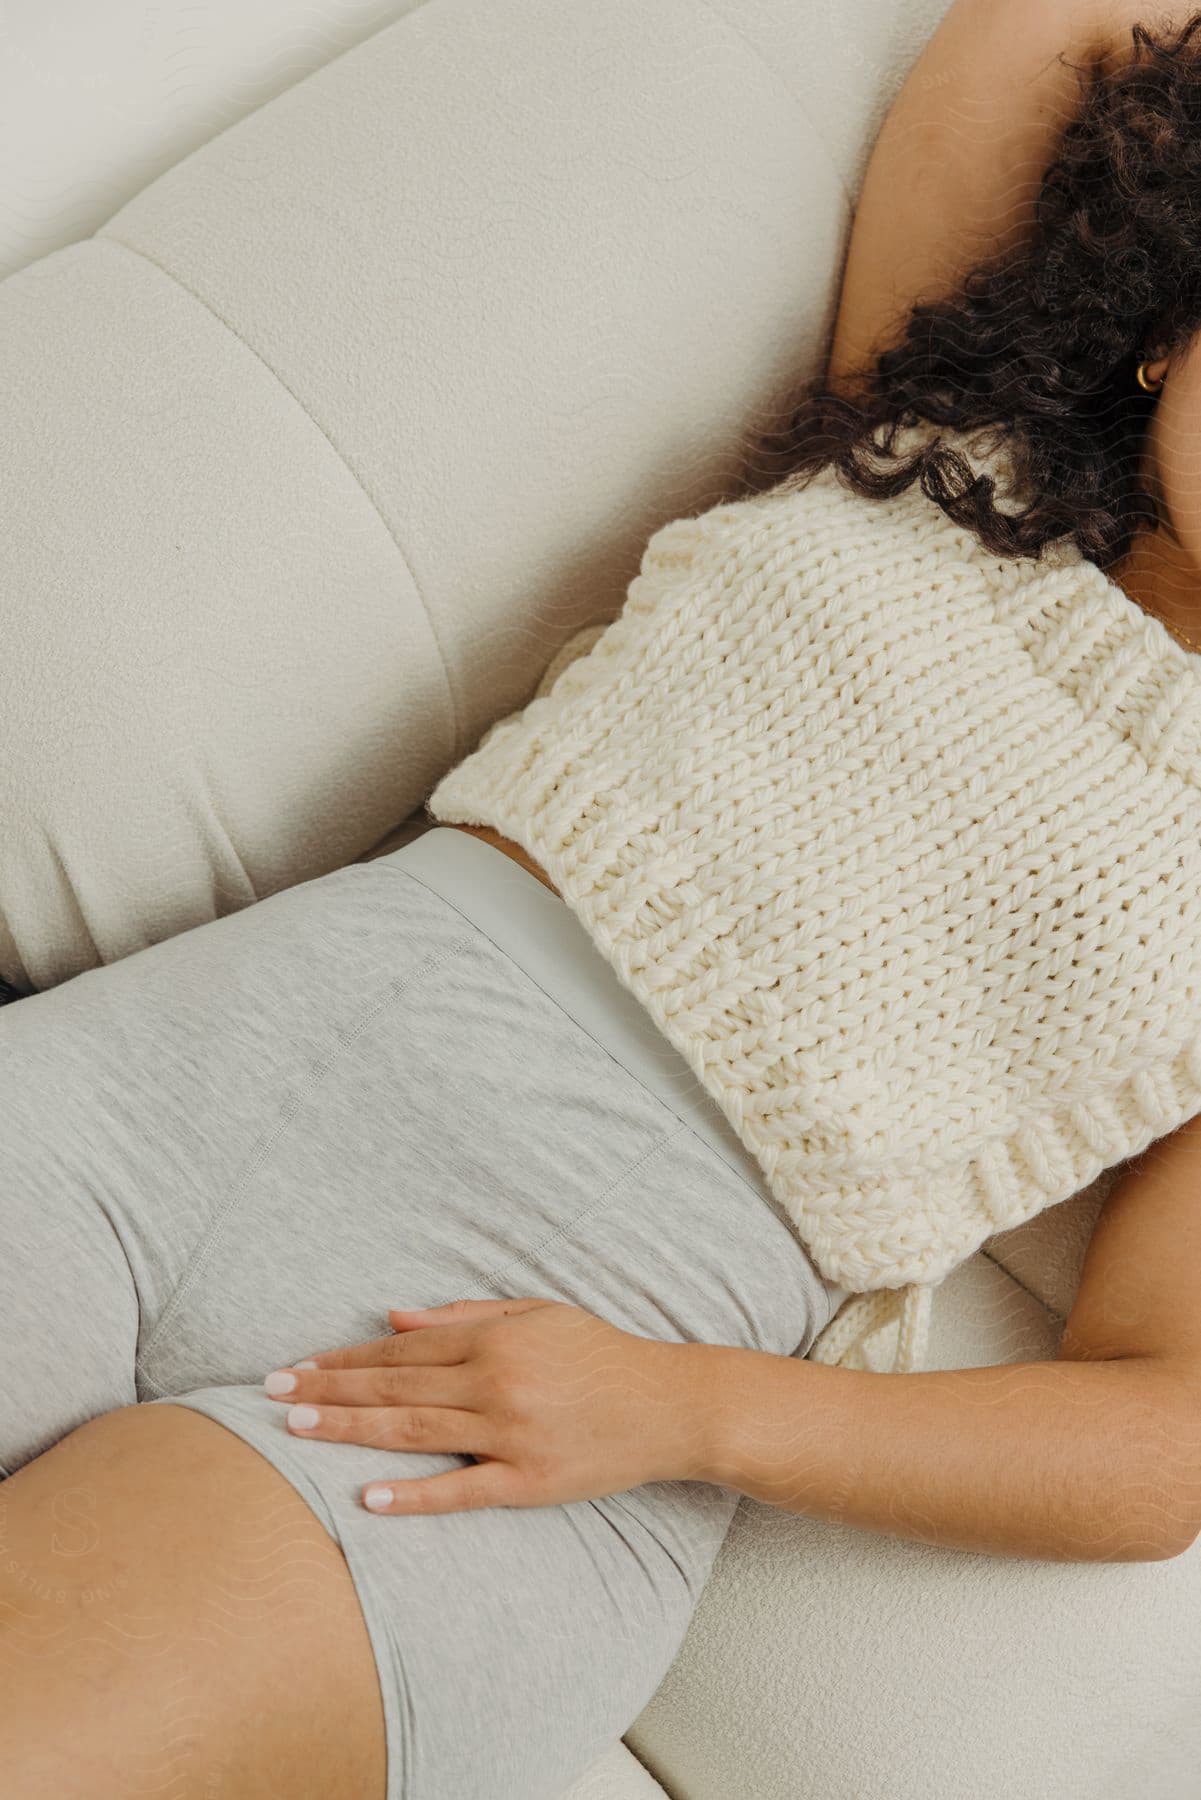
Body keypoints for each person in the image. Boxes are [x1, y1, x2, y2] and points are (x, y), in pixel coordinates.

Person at [5, 4, 1201, 1796]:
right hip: (171, 1100)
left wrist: (681, 1409)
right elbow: (1038, 32)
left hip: (535, 1410)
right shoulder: (947, 443)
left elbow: (1160, 1442)